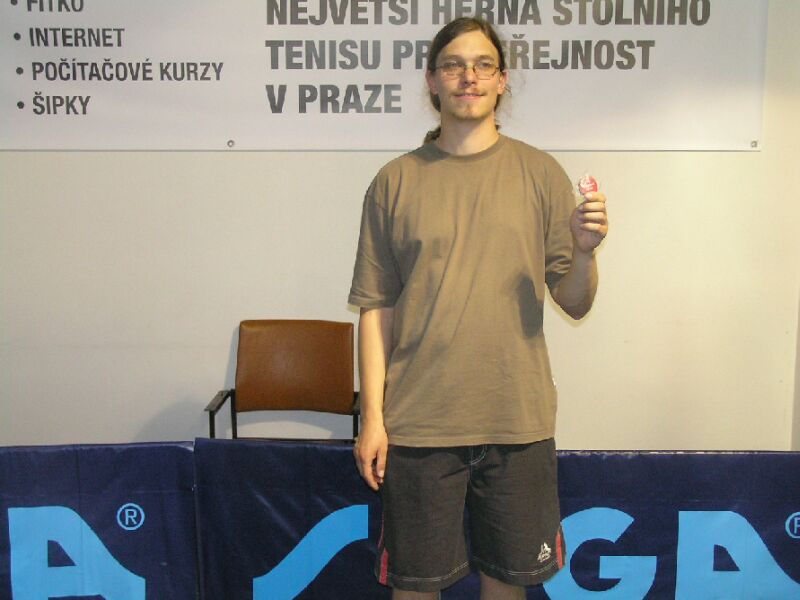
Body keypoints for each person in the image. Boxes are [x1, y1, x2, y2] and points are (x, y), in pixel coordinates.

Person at [348, 16, 608, 600]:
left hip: (517, 422)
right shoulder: (394, 182)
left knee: (507, 588)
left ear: (501, 80)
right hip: (420, 425)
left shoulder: (541, 174)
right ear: (432, 81)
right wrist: (373, 419)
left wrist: (584, 254)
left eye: (483, 64)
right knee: (414, 588)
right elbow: (375, 309)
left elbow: (574, 300)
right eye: (453, 65)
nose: (469, 76)